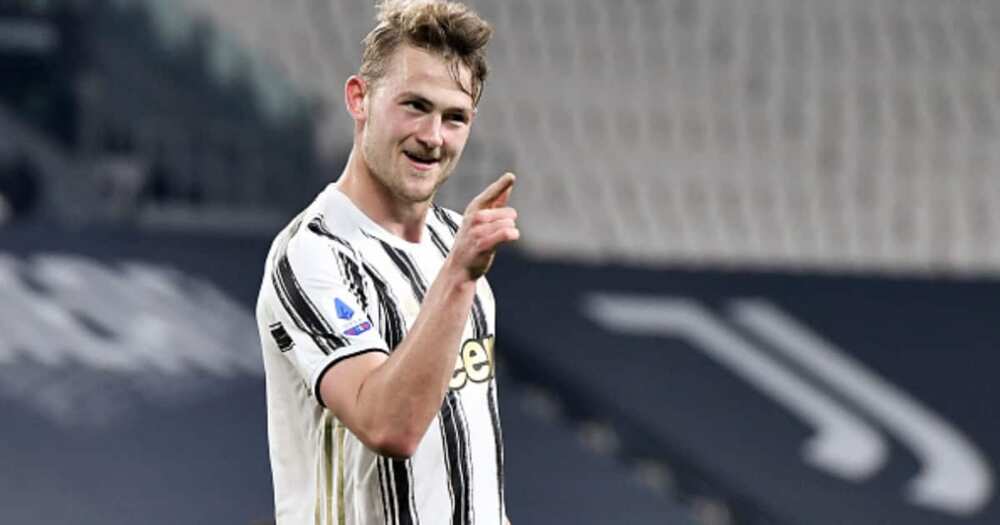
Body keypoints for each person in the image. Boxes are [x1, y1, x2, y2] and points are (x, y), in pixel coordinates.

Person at [255, 1, 518, 523]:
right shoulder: (313, 255)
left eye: (455, 117)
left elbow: (468, 458)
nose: (433, 136)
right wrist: (460, 277)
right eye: (415, 106)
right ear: (360, 98)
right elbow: (388, 427)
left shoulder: (453, 239)